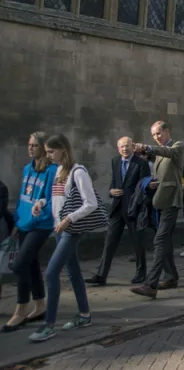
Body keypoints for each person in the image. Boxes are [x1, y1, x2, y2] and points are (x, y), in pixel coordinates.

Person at [30, 134, 102, 342]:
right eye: (47, 152)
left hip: (70, 230)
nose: (49, 156)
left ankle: (49, 324)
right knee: (74, 273)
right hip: (59, 229)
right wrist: (41, 203)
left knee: (51, 274)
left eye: (51, 151)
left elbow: (91, 204)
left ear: (63, 149)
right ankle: (85, 315)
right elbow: (56, 198)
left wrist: (69, 219)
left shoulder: (78, 172)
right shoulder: (59, 170)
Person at [4, 132, 57, 333]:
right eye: (29, 144)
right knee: (32, 264)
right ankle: (40, 305)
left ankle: (20, 309)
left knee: (19, 265)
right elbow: (22, 198)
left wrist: (40, 211)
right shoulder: (27, 169)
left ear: (44, 148)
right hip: (25, 223)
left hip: (41, 224)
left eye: (35, 145)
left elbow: (53, 200)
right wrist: (17, 221)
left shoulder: (52, 171)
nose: (30, 148)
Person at [130, 121, 184, 298]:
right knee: (164, 240)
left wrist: (147, 147)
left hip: (171, 200)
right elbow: (156, 160)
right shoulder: (159, 152)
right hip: (160, 200)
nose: (156, 137)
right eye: (153, 135)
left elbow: (168, 152)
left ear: (168, 131)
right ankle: (171, 277)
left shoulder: (177, 146)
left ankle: (151, 284)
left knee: (160, 240)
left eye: (159, 133)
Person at [87, 137, 151, 286]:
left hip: (133, 208)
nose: (125, 149)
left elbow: (144, 186)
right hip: (117, 208)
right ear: (118, 148)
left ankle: (141, 273)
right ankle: (101, 275)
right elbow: (115, 181)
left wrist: (140, 204)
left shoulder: (141, 164)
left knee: (137, 242)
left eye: (127, 146)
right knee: (109, 242)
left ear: (133, 147)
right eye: (122, 146)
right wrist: (111, 190)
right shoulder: (115, 161)